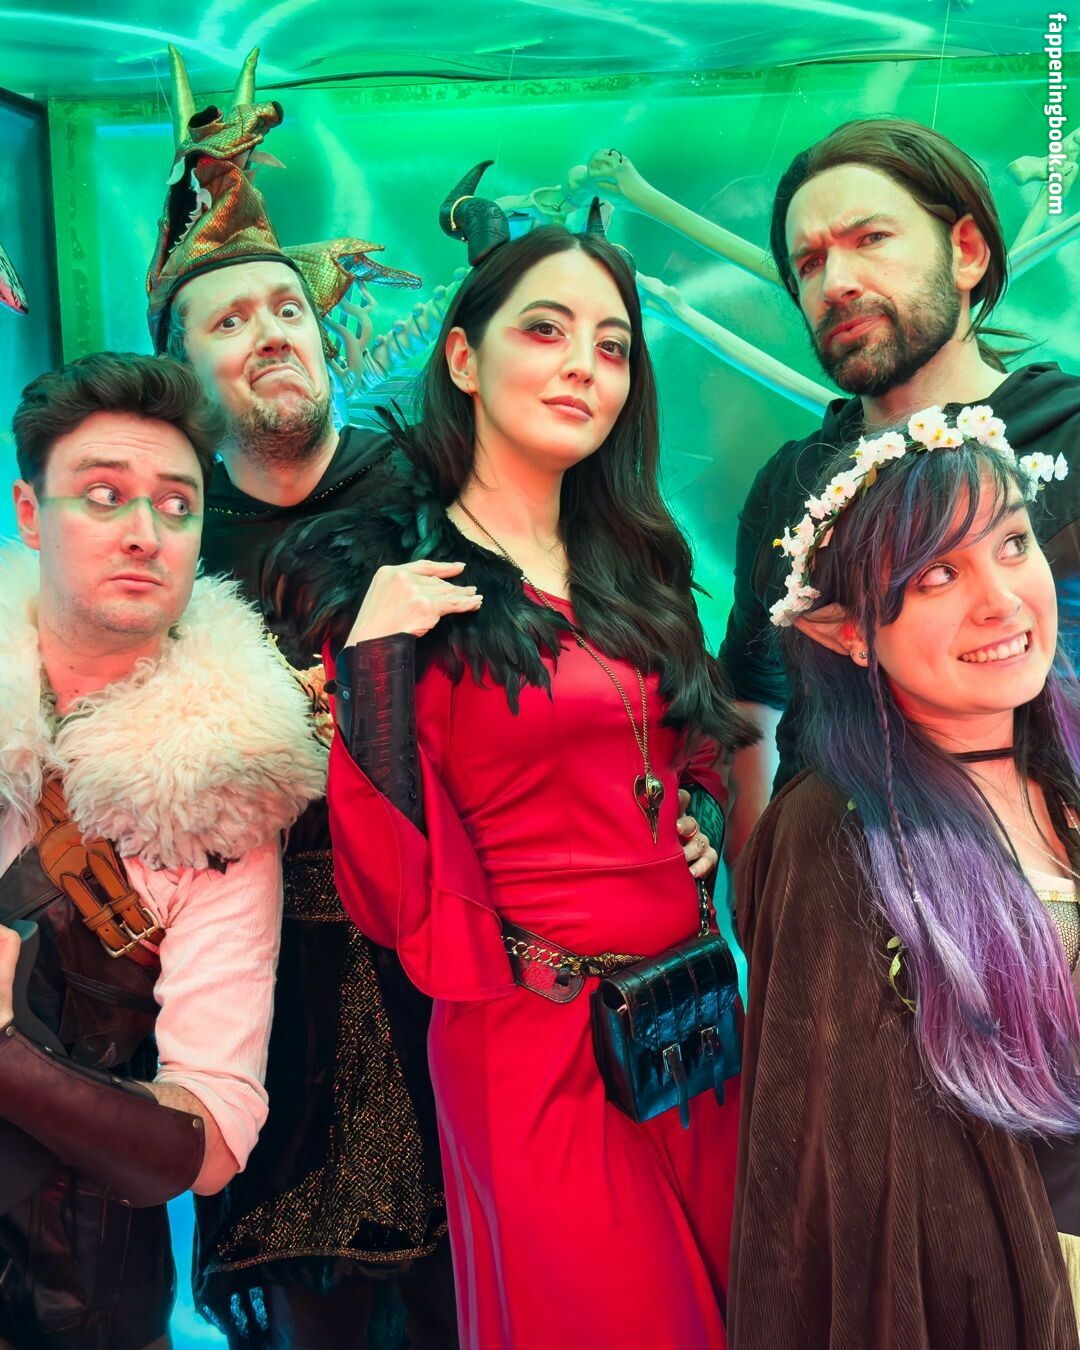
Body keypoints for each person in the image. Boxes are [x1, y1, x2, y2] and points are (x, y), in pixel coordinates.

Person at [264, 170, 752, 1349]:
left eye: (612, 346)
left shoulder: (639, 560)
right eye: (546, 330)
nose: (585, 365)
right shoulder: (400, 586)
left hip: (687, 1021)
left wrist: (695, 815)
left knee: (738, 1305)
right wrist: (374, 658)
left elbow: (685, 742)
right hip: (532, 1037)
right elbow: (391, 890)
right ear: (464, 359)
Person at [144, 51, 458, 1350]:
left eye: (286, 307)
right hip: (263, 978)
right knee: (308, 1308)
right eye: (230, 321)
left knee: (469, 1290)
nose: (272, 330)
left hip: (440, 949)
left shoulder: (431, 484)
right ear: (184, 374)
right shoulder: (167, 543)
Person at [731, 404, 1080, 1347]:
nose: (1002, 600)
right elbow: (836, 1189)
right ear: (848, 629)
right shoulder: (832, 837)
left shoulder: (1070, 753)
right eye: (937, 575)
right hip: (1016, 1295)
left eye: (1013, 543)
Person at [0, 351, 326, 1350]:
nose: (144, 531)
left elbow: (213, 1136)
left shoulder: (225, 791)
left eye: (177, 505)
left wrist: (6, 1055)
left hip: (74, 1300)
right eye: (103, 495)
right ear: (30, 513)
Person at [720, 117, 1080, 860]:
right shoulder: (789, 483)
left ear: (966, 251)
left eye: (872, 238)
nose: (836, 283)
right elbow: (754, 697)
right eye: (809, 263)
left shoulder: (1072, 433)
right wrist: (757, 877)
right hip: (826, 901)